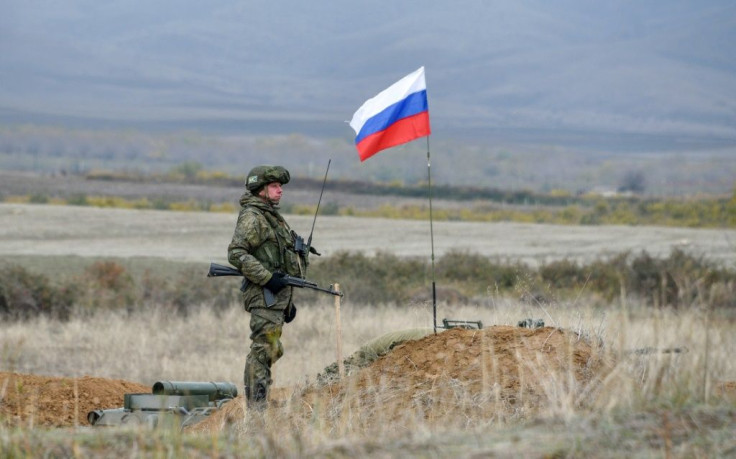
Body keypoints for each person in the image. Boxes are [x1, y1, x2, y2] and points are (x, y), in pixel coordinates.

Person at [227, 165, 307, 409]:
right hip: (264, 294)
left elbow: (278, 259)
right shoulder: (254, 217)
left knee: (271, 348)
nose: (280, 191)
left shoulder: (271, 217)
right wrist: (267, 278)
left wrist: (287, 303)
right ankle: (256, 408)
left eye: (280, 186)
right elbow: (237, 254)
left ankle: (259, 403)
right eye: (274, 186)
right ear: (260, 189)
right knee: (263, 350)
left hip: (275, 297)